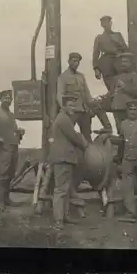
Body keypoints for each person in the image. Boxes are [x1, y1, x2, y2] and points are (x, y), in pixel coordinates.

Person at [48, 95, 89, 230]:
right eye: (70, 105)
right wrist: (85, 144)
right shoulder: (64, 120)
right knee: (60, 190)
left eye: (74, 105)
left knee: (64, 189)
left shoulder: (64, 119)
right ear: (63, 106)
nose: (73, 108)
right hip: (63, 158)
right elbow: (74, 137)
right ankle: (58, 220)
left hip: (65, 158)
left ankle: (64, 216)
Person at [57, 52, 112, 143]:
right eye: (74, 61)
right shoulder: (63, 77)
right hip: (72, 111)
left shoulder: (81, 76)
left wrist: (93, 103)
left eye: (78, 62)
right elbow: (60, 94)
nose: (76, 64)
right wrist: (65, 108)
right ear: (69, 61)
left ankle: (107, 128)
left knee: (87, 136)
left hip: (83, 110)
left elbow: (86, 94)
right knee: (68, 136)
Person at [92, 15, 130, 93]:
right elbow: (95, 54)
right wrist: (96, 69)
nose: (105, 24)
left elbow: (125, 49)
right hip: (106, 64)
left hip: (119, 63)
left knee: (122, 87)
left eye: (107, 22)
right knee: (111, 87)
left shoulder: (118, 35)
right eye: (103, 23)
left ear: (111, 23)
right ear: (101, 25)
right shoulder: (99, 38)